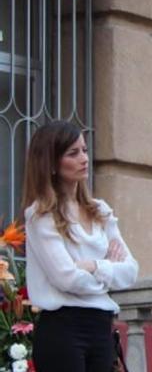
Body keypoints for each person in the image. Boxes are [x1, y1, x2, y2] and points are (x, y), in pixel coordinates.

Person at [23, 120, 139, 372]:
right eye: (73, 153)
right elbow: (67, 278)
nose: (84, 158)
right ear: (52, 163)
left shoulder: (100, 211)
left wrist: (93, 266)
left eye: (84, 150)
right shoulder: (41, 216)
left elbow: (130, 271)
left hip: (102, 328)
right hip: (63, 329)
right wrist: (109, 270)